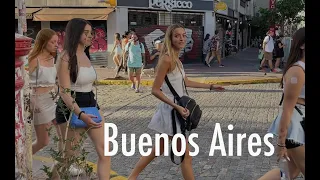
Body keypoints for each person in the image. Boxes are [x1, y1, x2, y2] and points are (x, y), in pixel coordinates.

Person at [127, 24, 225, 180]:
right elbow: (155, 90)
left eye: (184, 35)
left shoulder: (177, 59)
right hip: (173, 113)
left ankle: (132, 177)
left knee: (157, 150)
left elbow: (186, 82)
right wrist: (177, 107)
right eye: (177, 36)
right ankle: (132, 176)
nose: (181, 38)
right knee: (186, 157)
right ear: (170, 38)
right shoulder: (166, 59)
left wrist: (211, 86)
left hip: (176, 110)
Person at [52, 18, 111, 179]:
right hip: (71, 110)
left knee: (105, 152)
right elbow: (64, 92)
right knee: (68, 158)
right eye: (86, 33)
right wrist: (80, 114)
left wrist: (97, 109)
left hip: (92, 106)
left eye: (91, 33)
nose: (91, 36)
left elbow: (88, 86)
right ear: (75, 33)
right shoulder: (65, 57)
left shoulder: (85, 54)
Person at [260, 27, 305, 180]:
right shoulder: (297, 71)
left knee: (289, 174)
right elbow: (287, 109)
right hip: (295, 125)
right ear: (302, 45)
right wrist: (281, 143)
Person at [28, 28, 60, 154]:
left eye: (57, 42)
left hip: (54, 97)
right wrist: (33, 102)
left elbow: (53, 80)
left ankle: (62, 165)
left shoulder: (52, 58)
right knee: (43, 141)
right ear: (43, 42)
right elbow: (25, 81)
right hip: (39, 100)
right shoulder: (33, 59)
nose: (56, 45)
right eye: (53, 42)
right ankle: (22, 161)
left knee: (64, 134)